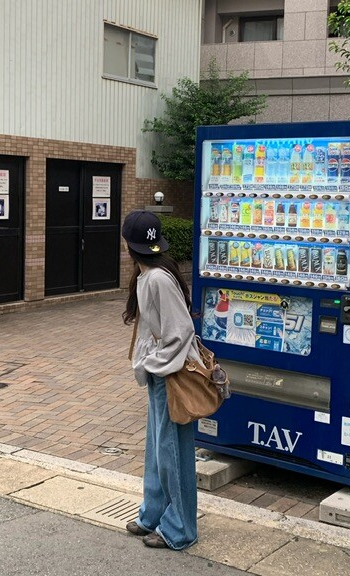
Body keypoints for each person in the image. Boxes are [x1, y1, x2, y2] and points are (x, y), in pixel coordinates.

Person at [121, 210, 201, 551]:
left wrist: (154, 365)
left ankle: (180, 528)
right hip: (161, 373)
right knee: (157, 449)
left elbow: (181, 331)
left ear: (128, 245)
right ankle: (152, 514)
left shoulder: (157, 279)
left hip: (170, 374)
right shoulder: (150, 274)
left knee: (171, 453)